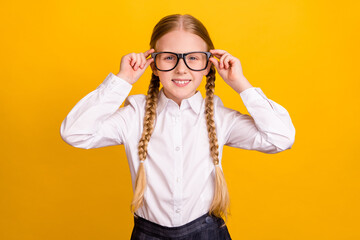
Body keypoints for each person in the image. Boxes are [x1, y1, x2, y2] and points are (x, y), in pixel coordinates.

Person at [60, 13, 295, 240]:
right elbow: (75, 133)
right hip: (148, 233)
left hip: (208, 233)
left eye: (192, 58)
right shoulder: (134, 115)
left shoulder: (219, 118)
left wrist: (241, 84)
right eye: (169, 57)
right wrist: (122, 80)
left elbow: (280, 138)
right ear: (153, 64)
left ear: (207, 65)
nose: (181, 69)